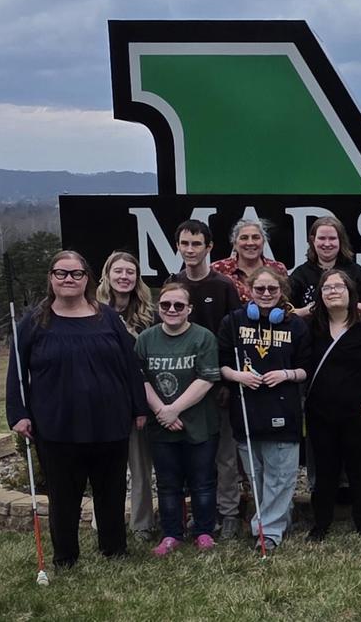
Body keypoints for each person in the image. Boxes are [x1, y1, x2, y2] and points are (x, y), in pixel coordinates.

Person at [6, 251, 148, 569]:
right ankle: (65, 556)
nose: (68, 279)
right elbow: (15, 371)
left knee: (110, 491)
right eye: (61, 273)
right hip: (57, 426)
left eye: (76, 274)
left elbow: (129, 366)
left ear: (87, 279)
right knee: (63, 496)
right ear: (51, 279)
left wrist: (139, 406)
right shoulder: (33, 321)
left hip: (109, 422)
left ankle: (114, 548)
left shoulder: (107, 317)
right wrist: (19, 413)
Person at [218, 267, 311, 552]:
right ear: (250, 290)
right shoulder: (233, 322)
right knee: (257, 478)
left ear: (281, 291)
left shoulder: (295, 325)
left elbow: (306, 368)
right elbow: (220, 365)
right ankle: (277, 520)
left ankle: (267, 532)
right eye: (260, 289)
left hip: (284, 411)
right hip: (247, 411)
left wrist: (286, 374)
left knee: (281, 478)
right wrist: (238, 376)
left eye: (272, 289)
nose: (266, 294)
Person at [170, 219, 244, 540]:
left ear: (209, 248)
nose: (190, 250)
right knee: (193, 454)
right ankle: (203, 512)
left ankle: (229, 513)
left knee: (225, 456)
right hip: (184, 387)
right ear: (178, 246)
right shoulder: (174, 284)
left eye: (196, 244)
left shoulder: (223, 285)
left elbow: (235, 337)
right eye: (185, 243)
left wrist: (227, 382)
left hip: (219, 385)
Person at [135, 283, 221, 556]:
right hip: (161, 426)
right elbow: (140, 379)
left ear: (189, 309)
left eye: (179, 306)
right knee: (168, 483)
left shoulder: (203, 337)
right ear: (158, 308)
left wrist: (174, 409)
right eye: (165, 305)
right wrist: (162, 411)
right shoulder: (146, 339)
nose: (171, 310)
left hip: (200, 423)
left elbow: (206, 378)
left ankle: (204, 531)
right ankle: (172, 533)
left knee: (203, 482)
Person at [305, 270, 361, 541]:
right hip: (320, 414)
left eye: (338, 287)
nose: (332, 292)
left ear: (351, 292)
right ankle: (321, 525)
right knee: (325, 471)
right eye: (326, 288)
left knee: (359, 471)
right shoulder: (312, 327)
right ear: (320, 295)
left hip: (359, 414)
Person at [96, 251, 155, 541]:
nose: (124, 277)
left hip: (137, 400)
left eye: (130, 272)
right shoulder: (91, 310)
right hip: (103, 401)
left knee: (140, 466)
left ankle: (142, 524)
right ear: (107, 275)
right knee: (104, 467)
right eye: (118, 271)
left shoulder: (147, 314)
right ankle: (104, 521)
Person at [290, 215, 361, 319]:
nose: (327, 244)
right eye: (322, 238)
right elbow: (288, 313)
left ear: (341, 240)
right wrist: (314, 308)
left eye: (332, 238)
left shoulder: (358, 273)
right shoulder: (300, 274)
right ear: (313, 240)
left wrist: (343, 302)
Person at [212, 218, 288, 304]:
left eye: (256, 237)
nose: (250, 243)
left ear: (263, 242)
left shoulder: (278, 269)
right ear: (234, 243)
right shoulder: (217, 269)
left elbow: (284, 303)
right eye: (244, 238)